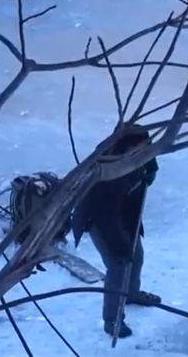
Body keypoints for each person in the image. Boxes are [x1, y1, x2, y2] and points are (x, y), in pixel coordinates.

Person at [71, 124, 162, 338]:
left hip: (126, 211)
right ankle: (112, 320)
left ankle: (131, 294)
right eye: (139, 148)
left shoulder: (138, 153)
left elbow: (150, 153)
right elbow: (106, 216)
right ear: (125, 147)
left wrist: (152, 167)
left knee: (137, 257)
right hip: (100, 217)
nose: (143, 151)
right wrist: (121, 247)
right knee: (119, 265)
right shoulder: (107, 170)